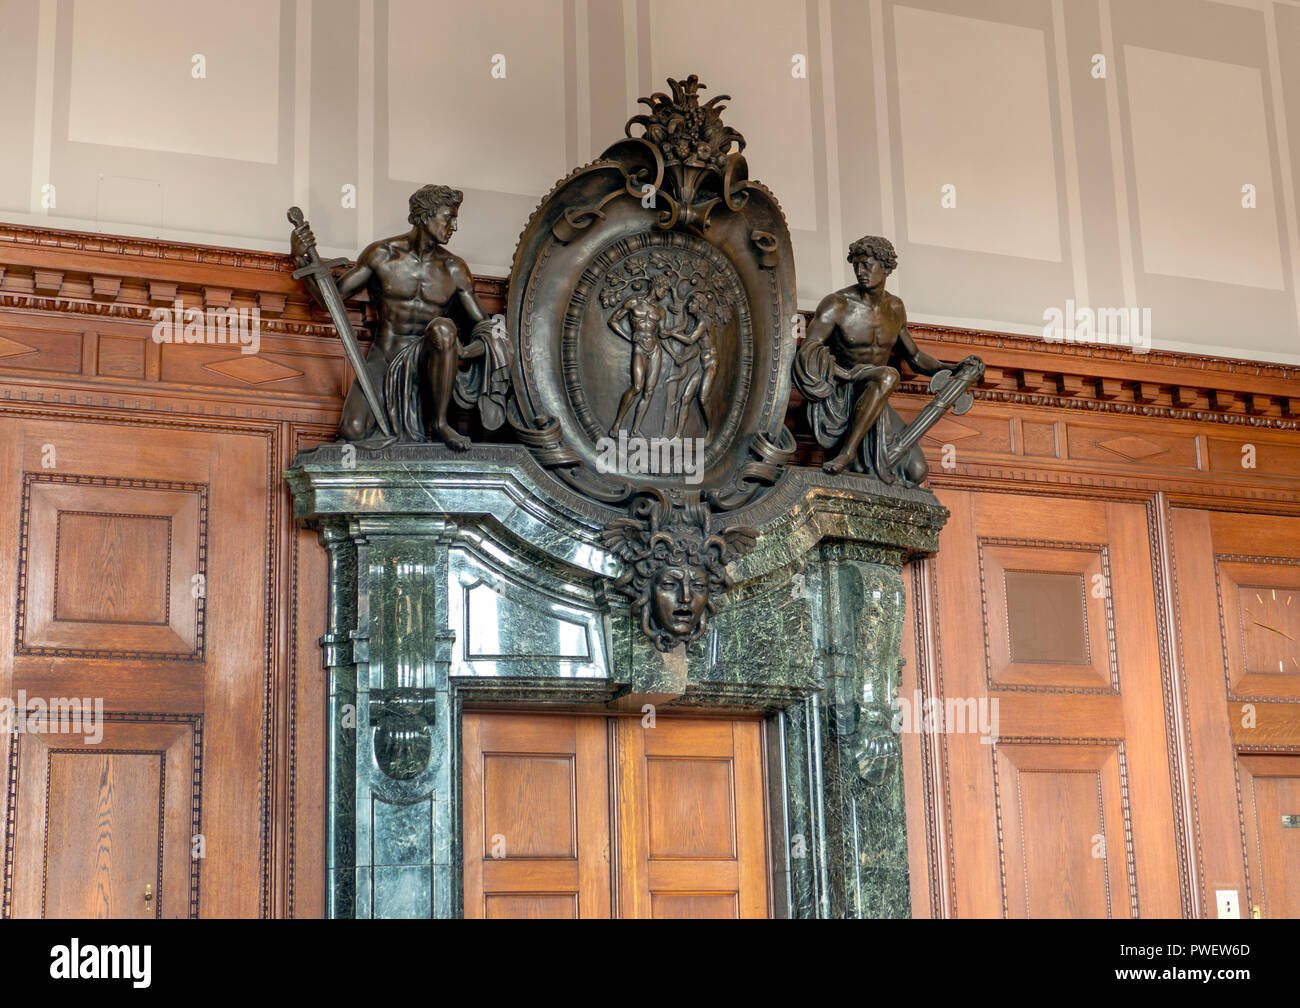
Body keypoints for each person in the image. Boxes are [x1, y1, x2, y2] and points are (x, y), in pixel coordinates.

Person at [290, 184, 509, 447]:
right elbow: (331, 299)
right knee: (353, 431)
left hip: (429, 365)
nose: (454, 226)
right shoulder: (383, 255)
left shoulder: (454, 269)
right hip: (384, 356)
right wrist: (300, 258)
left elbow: (487, 329)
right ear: (426, 215)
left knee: (443, 328)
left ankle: (440, 424)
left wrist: (463, 352)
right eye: (449, 217)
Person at [794, 235, 981, 484]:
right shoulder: (837, 305)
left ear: (885, 267)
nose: (860, 272)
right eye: (856, 266)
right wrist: (845, 373)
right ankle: (847, 452)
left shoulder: (894, 308)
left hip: (877, 394)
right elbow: (808, 352)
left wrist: (953, 368)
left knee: (915, 471)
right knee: (888, 374)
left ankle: (856, 455)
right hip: (842, 394)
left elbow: (914, 357)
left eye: (867, 265)